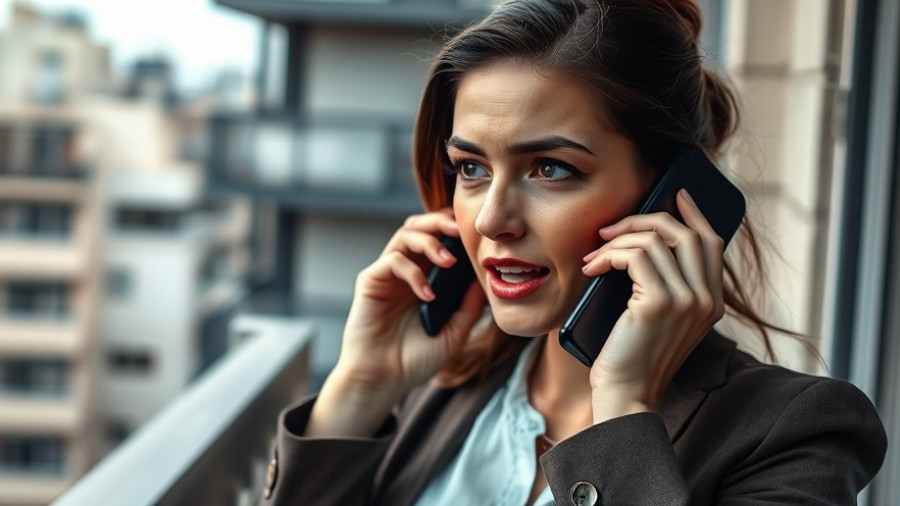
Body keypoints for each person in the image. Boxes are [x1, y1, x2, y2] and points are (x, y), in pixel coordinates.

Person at [259, 0, 887, 504]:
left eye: (552, 169)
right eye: (471, 168)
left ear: (672, 197)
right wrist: (361, 390)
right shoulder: (443, 388)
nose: (493, 221)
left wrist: (623, 411)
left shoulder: (795, 437)